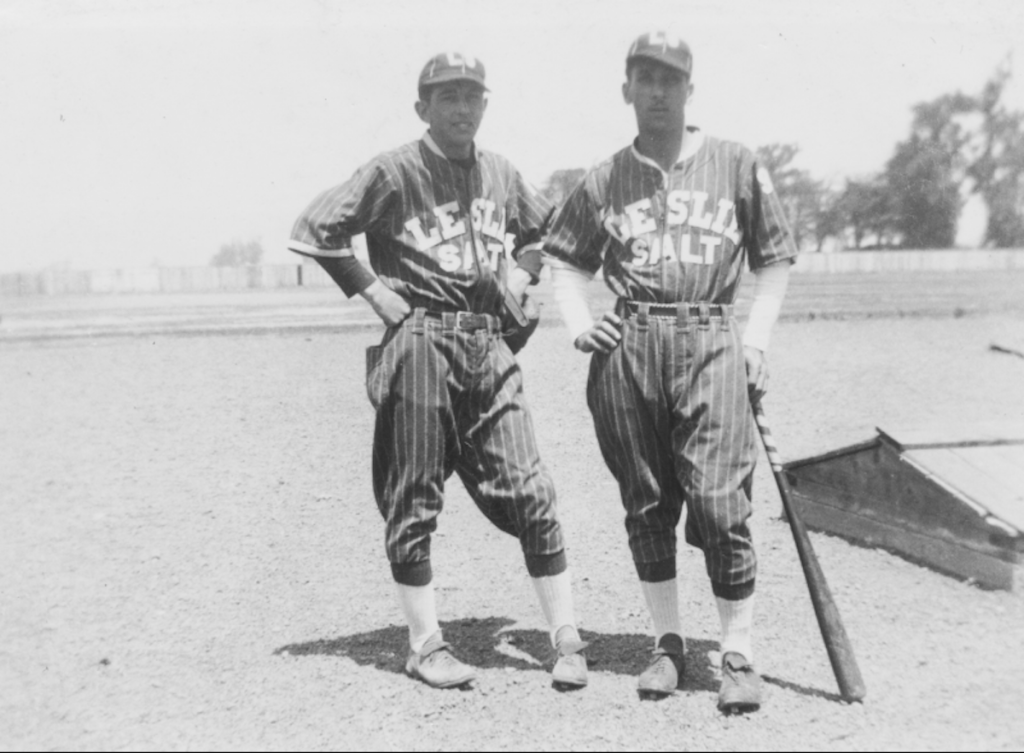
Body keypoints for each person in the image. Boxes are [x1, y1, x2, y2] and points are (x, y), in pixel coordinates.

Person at [287, 52, 587, 690]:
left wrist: (521, 272)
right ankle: (425, 645)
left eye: (471, 97)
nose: (460, 108)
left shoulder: (501, 172)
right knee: (415, 496)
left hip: (488, 343)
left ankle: (565, 635)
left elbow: (546, 231)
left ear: (485, 104)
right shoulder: (394, 169)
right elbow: (316, 228)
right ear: (422, 107)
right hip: (421, 339)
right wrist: (372, 291)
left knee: (531, 489)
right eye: (446, 97)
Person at [542, 32, 797, 712]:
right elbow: (563, 259)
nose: (657, 90)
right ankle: (669, 643)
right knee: (647, 501)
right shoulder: (603, 177)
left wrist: (757, 341)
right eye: (644, 78)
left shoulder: (736, 163)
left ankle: (738, 651)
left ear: (690, 87)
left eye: (670, 78)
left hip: (711, 334)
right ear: (627, 88)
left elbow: (774, 256)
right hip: (630, 343)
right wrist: (577, 323)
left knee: (719, 500)